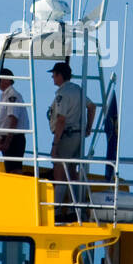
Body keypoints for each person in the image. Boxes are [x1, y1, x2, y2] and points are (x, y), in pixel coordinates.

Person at [47, 61, 95, 222]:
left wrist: (55, 145)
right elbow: (92, 106)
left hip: (66, 136)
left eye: (54, 75)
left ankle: (57, 211)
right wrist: (88, 127)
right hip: (78, 136)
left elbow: (61, 120)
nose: (53, 78)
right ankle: (77, 209)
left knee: (59, 173)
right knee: (72, 173)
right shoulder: (78, 90)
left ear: (60, 75)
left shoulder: (63, 94)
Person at [0, 67, 27, 174]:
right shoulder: (4, 96)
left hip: (14, 138)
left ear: (6, 80)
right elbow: (5, 121)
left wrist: (7, 141)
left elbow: (13, 119)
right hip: (9, 137)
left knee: (14, 170)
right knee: (10, 169)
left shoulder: (12, 95)